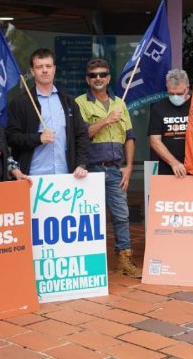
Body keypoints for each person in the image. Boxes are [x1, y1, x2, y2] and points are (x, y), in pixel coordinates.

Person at [75, 58, 141, 278]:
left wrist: (129, 167)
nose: (98, 78)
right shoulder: (80, 103)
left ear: (109, 77)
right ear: (87, 79)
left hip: (115, 169)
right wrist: (106, 119)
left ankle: (124, 261)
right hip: (89, 170)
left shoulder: (120, 103)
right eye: (93, 75)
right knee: (90, 218)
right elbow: (82, 134)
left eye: (102, 74)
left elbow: (129, 137)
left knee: (122, 216)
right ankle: (89, 264)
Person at [6, 48, 89, 178]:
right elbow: (11, 137)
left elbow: (81, 135)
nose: (45, 70)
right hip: (32, 175)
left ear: (54, 69)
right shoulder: (20, 103)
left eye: (48, 66)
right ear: (32, 71)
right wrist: (38, 138)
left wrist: (81, 164)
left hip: (67, 174)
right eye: (39, 67)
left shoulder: (68, 101)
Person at [148, 69, 191, 178]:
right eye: (171, 93)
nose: (176, 97)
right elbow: (154, 141)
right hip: (168, 169)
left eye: (180, 93)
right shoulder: (158, 108)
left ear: (187, 87)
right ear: (167, 87)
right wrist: (174, 163)